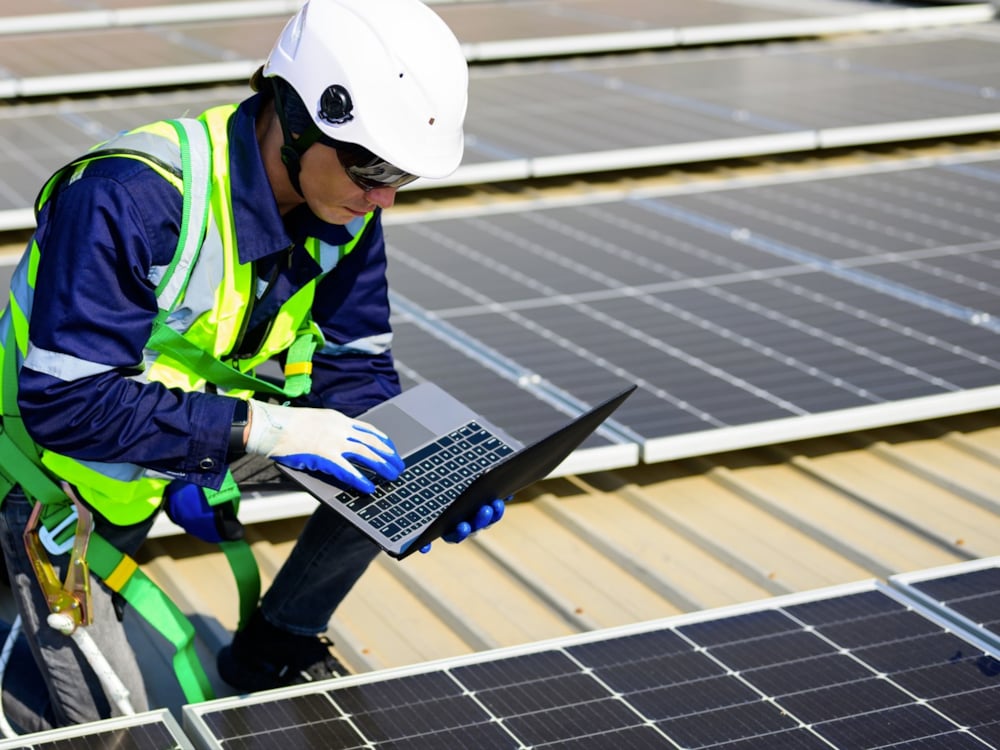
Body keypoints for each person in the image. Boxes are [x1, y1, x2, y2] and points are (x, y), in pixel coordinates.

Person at [0, 0, 505, 731]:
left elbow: (356, 375)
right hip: (49, 468)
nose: (384, 196)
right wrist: (257, 431)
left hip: (181, 440)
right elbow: (65, 407)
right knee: (102, 726)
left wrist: (431, 486)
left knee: (390, 456)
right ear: (295, 120)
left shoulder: (347, 214)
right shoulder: (131, 196)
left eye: (404, 177)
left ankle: (275, 644)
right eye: (372, 166)